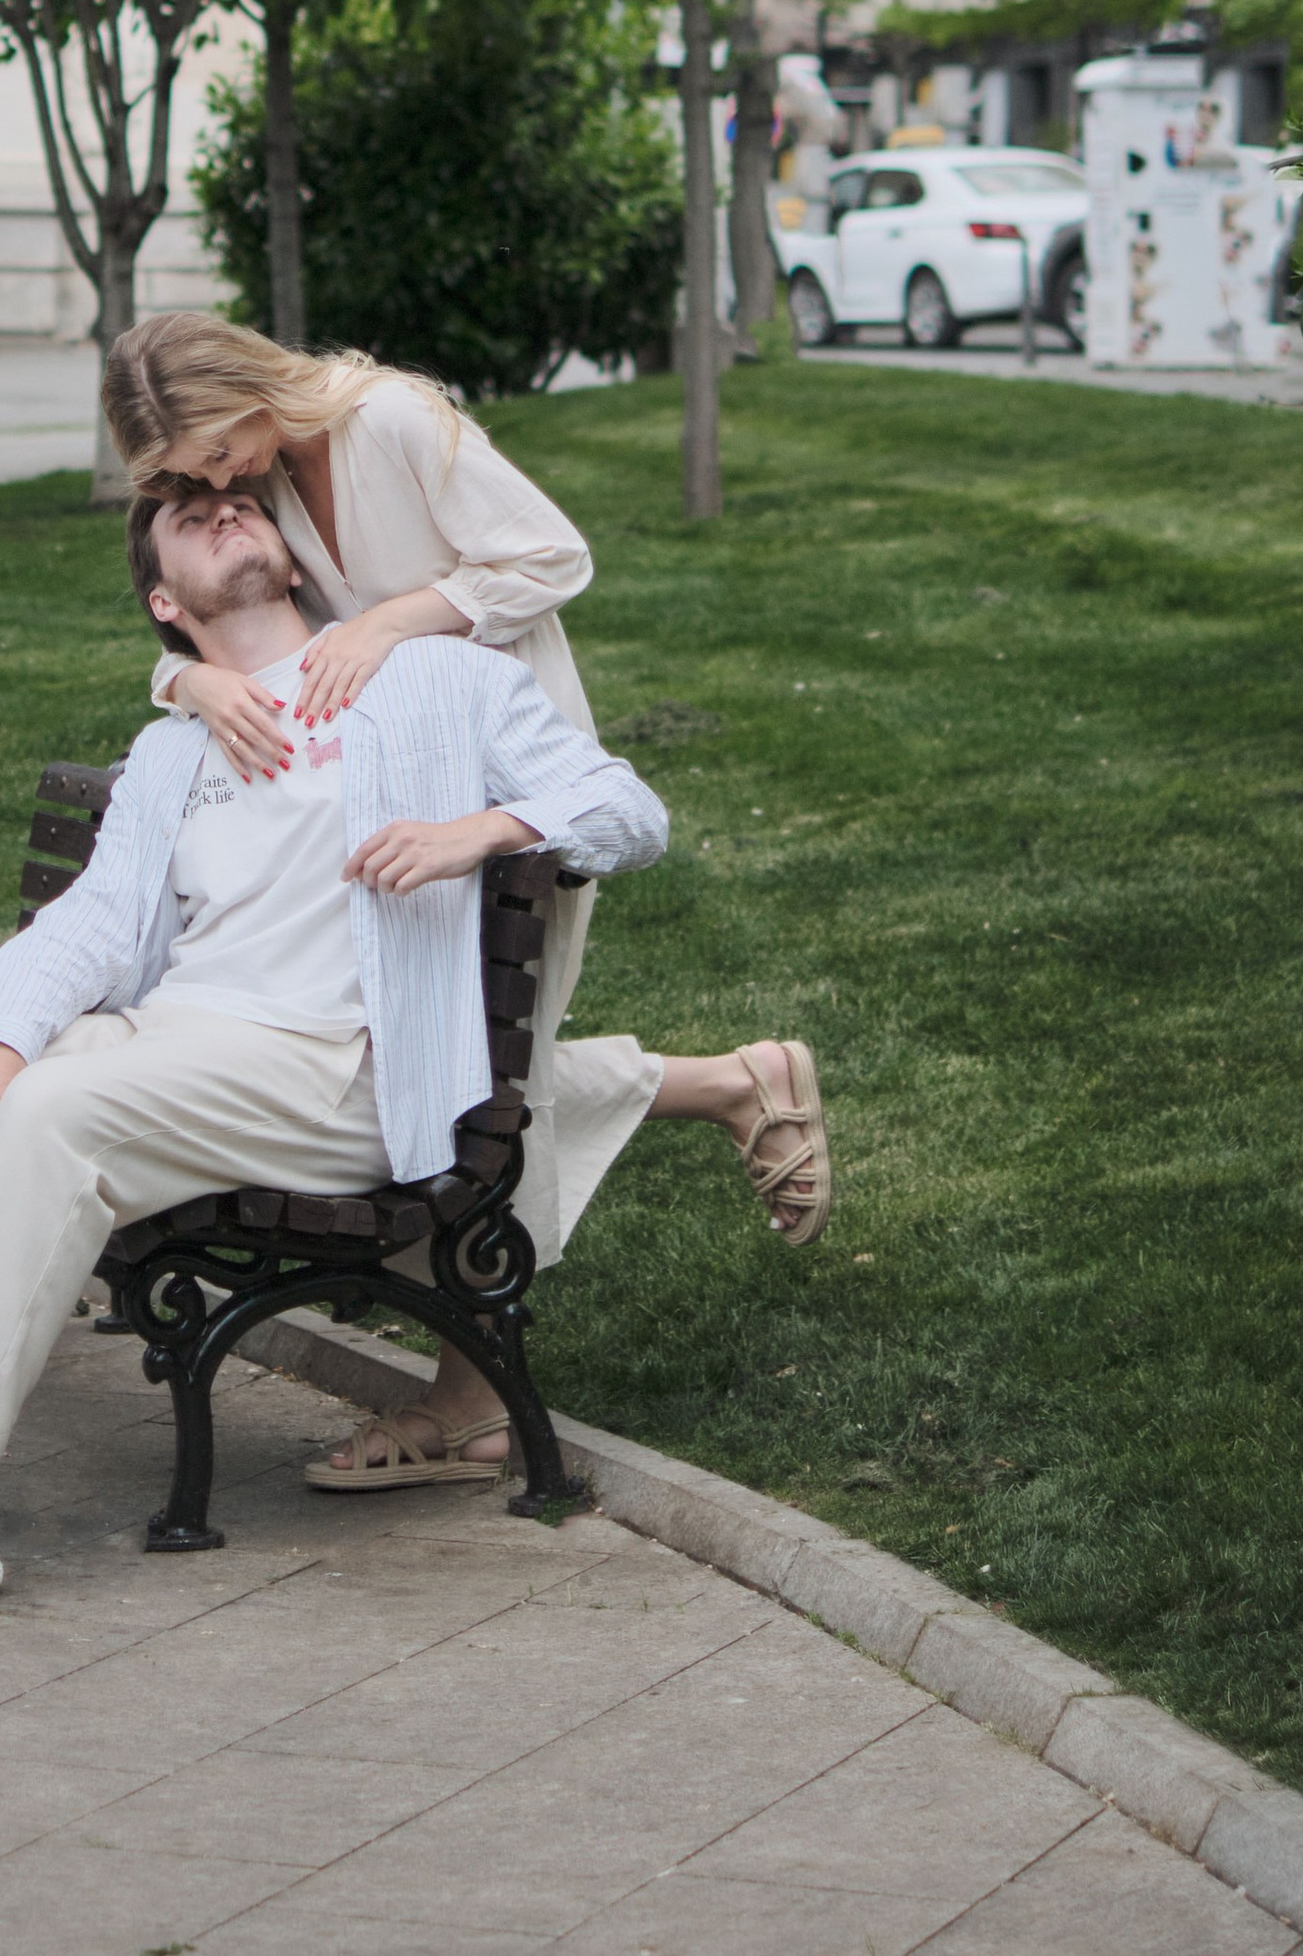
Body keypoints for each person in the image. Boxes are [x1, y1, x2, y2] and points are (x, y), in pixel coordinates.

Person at [0, 484, 668, 1625]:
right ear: (165, 600)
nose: (222, 513)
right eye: (189, 515)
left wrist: (486, 830)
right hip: (175, 1044)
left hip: (338, 1067)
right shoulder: (172, 745)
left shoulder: (437, 680)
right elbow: (95, 925)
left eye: (238, 502)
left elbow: (628, 806)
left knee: (58, 1118)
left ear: (290, 559)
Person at [101, 308, 830, 1489]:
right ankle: (732, 1085)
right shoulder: (268, 474)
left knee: (481, 1078)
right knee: (466, 1060)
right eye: (187, 476)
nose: (212, 480)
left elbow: (551, 556)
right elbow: (215, 611)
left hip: (504, 782)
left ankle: (471, 1404)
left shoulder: (384, 420)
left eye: (210, 454)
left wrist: (396, 618)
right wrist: (182, 676)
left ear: (246, 388)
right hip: (390, 796)